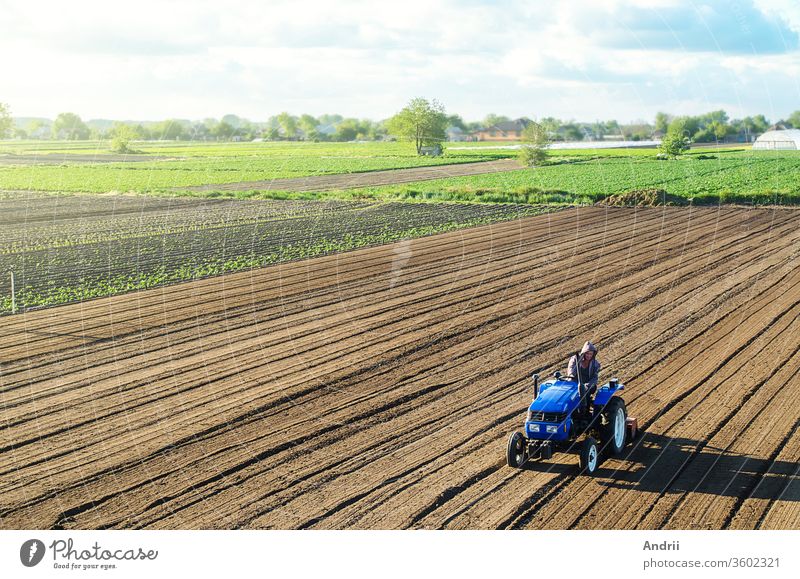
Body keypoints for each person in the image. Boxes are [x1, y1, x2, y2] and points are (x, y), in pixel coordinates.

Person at [567, 341, 601, 416]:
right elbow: (571, 370)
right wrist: (572, 376)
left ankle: (585, 412)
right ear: (584, 353)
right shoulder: (575, 359)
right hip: (575, 382)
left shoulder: (595, 364)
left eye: (591, 354)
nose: (589, 356)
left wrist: (587, 385)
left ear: (593, 354)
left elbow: (595, 378)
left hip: (589, 384)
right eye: (587, 353)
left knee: (585, 392)